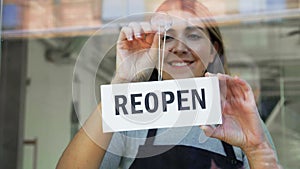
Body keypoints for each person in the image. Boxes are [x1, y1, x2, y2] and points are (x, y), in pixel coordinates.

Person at [56, 0, 281, 168]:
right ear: (149, 47)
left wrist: (255, 149)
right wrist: (121, 86)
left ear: (214, 51)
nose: (180, 47)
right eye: (166, 37)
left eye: (193, 35)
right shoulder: (130, 112)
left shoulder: (236, 114)